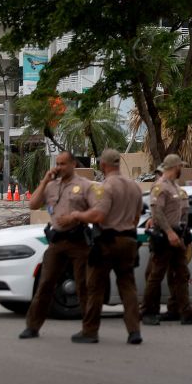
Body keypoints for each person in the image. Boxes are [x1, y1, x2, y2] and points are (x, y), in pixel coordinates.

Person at [60, 148, 144, 345]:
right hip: (129, 241)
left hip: (107, 242)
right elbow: (137, 216)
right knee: (128, 287)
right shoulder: (134, 186)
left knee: (95, 287)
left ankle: (90, 331)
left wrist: (76, 215)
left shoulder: (105, 187)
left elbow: (98, 216)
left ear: (103, 165)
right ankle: (134, 331)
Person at [18, 152, 96, 339]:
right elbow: (33, 204)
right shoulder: (51, 186)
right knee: (45, 283)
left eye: (63, 163)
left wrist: (76, 216)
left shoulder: (85, 186)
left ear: (73, 164)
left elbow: (96, 211)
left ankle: (89, 330)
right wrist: (44, 181)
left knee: (84, 286)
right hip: (57, 241)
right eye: (57, 163)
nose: (59, 167)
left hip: (78, 241)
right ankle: (33, 326)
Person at [141, 154, 192, 326]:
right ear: (174, 167)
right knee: (156, 275)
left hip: (177, 236)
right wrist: (169, 232)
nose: (181, 170)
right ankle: (148, 311)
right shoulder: (161, 186)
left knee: (182, 274)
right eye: (180, 167)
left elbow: (177, 213)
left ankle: (184, 312)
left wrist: (180, 234)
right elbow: (157, 212)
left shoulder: (174, 187)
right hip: (165, 237)